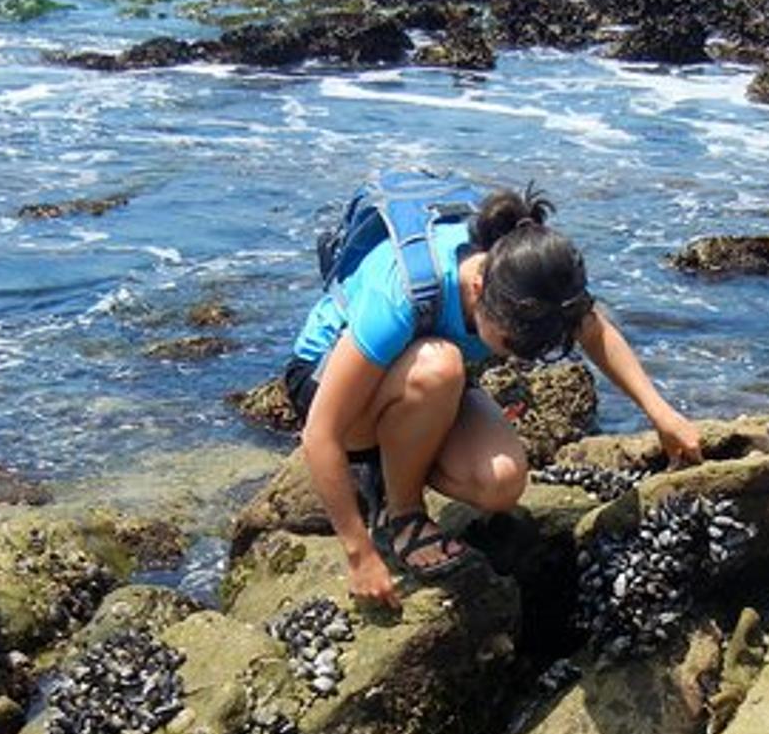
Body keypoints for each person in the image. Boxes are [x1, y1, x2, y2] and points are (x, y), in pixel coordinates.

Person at [284, 179, 702, 608]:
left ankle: (397, 460)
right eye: (512, 346)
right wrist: (359, 554)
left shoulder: (533, 277)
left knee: (500, 484)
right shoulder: (402, 293)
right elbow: (320, 432)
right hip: (331, 388)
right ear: (479, 290)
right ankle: (401, 514)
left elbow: (594, 330)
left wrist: (662, 415)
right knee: (441, 364)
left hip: (419, 383)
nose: (520, 361)